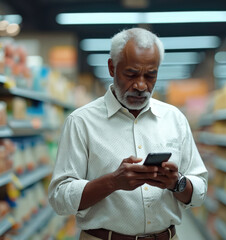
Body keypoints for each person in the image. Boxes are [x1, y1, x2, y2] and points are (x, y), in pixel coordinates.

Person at [48, 27, 208, 240]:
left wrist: (175, 182)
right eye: (131, 74)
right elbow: (59, 198)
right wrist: (113, 182)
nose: (141, 85)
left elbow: (199, 190)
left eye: (150, 75)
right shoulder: (81, 122)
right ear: (112, 68)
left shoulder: (174, 119)